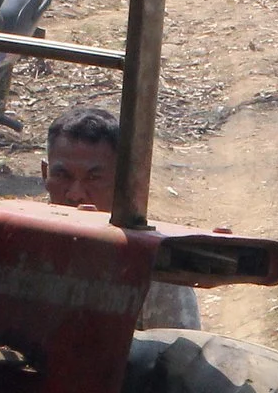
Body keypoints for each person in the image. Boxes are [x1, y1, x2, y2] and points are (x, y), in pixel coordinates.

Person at [41, 106, 202, 330]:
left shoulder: (151, 264)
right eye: (62, 176)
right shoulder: (17, 246)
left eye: (93, 178)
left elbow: (179, 354)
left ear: (123, 181)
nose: (75, 194)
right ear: (44, 174)